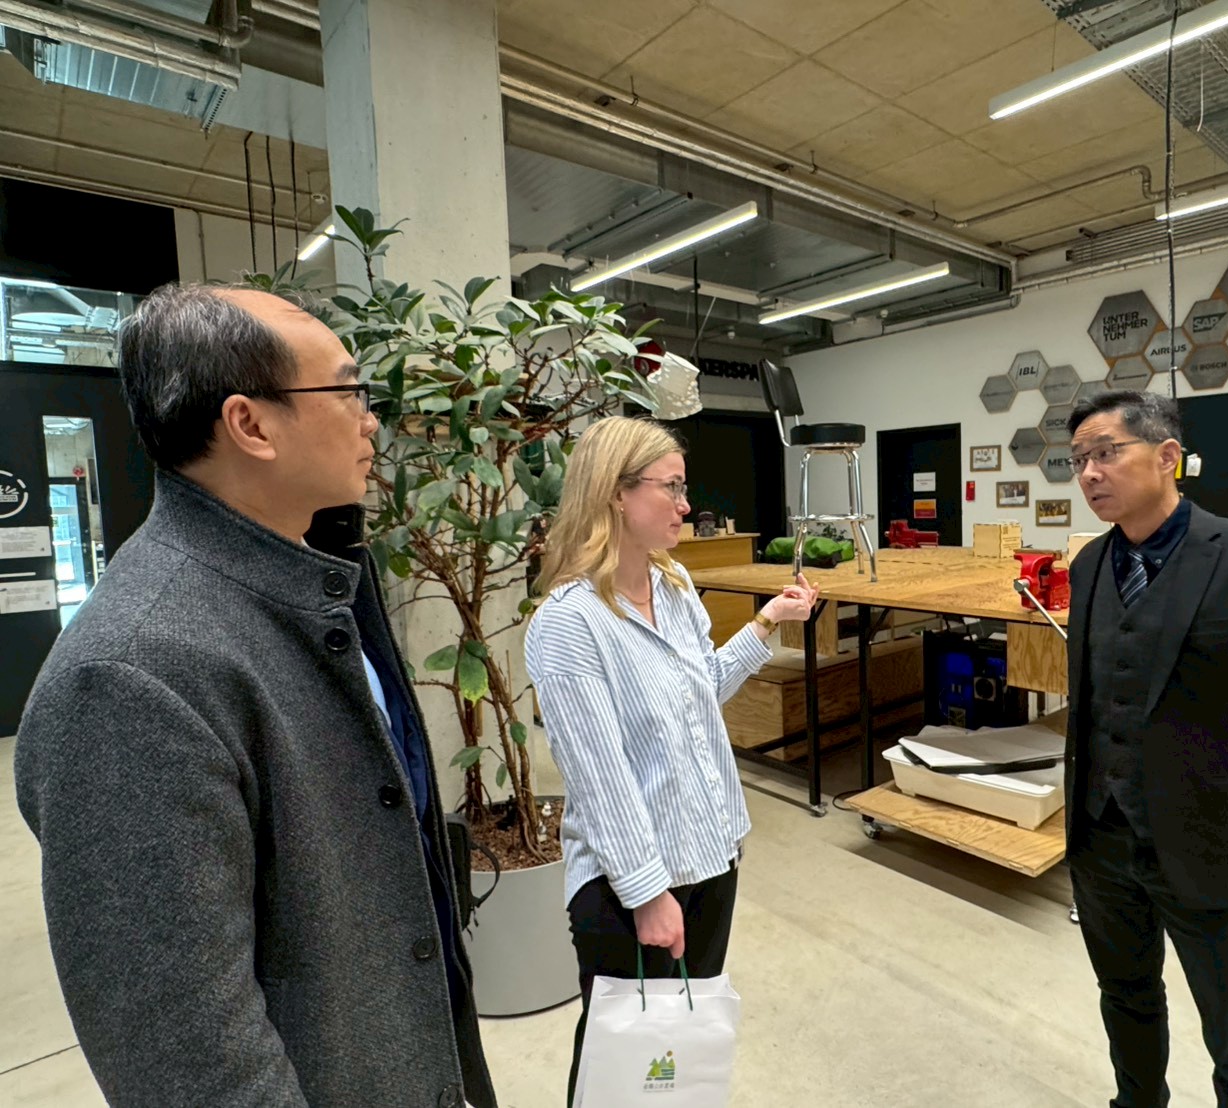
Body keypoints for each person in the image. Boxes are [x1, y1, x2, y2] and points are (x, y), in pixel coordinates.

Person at [14, 285, 497, 1108]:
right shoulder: (132, 675)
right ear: (250, 424)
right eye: (347, 391)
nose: (371, 420)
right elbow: (186, 1058)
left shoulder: (316, 580)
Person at [523, 416, 818, 1105]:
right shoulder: (569, 622)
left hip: (711, 856)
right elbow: (598, 778)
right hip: (630, 886)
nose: (687, 506)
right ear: (615, 493)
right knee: (622, 1068)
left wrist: (768, 620)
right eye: (672, 488)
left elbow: (701, 689)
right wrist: (648, 893)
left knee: (675, 1063)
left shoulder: (675, 584)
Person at [1063, 390, 1228, 1108]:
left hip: (1213, 836)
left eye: (1106, 452)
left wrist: (1222, 782)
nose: (1089, 473)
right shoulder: (1089, 565)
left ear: (1167, 456)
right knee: (1125, 997)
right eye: (1078, 460)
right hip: (1103, 837)